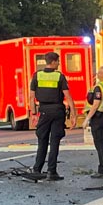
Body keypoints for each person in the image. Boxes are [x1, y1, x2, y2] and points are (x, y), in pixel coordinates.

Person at [30, 51, 77, 181]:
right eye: (58, 61)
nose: (59, 63)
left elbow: (31, 97)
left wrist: (33, 113)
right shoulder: (59, 77)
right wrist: (73, 113)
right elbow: (67, 96)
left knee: (42, 141)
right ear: (54, 62)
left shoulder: (37, 76)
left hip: (43, 111)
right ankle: (51, 171)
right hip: (57, 111)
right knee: (54, 142)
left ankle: (37, 169)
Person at [82, 65, 103, 178]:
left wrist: (87, 119)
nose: (97, 74)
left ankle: (102, 171)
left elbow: (95, 104)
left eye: (100, 72)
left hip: (98, 117)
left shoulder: (99, 87)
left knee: (100, 145)